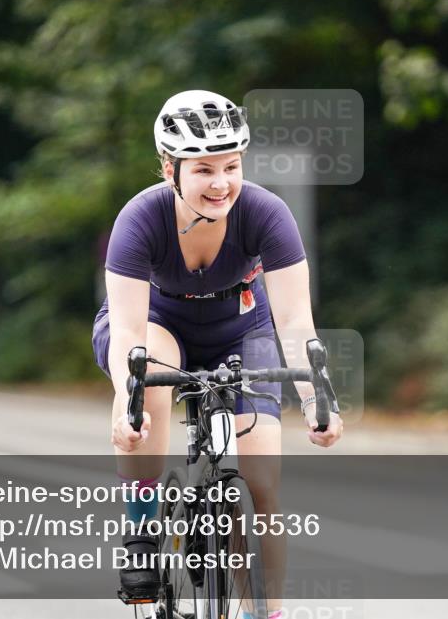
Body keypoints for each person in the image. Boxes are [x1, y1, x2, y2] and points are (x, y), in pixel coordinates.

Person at [92, 91, 343, 617]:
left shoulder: (266, 213)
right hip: (155, 326)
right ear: (169, 168)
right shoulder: (139, 219)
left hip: (239, 331)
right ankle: (140, 529)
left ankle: (268, 611)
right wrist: (126, 403)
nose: (221, 183)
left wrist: (320, 400)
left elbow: (295, 321)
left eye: (232, 166)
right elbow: (131, 332)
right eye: (204, 169)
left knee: (262, 484)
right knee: (150, 372)